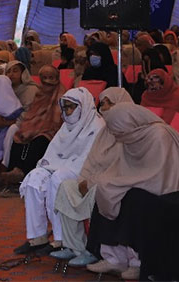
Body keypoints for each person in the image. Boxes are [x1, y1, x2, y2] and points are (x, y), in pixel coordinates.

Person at [84, 102, 179, 278]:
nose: (117, 136)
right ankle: (114, 257)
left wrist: (125, 183)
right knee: (106, 189)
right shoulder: (130, 136)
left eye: (119, 131)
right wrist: (114, 182)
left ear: (128, 124)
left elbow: (160, 174)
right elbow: (123, 168)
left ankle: (138, 261)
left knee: (134, 198)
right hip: (144, 181)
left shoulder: (159, 135)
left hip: (173, 186)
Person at [15, 88, 104, 255]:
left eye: (72, 107)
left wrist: (55, 169)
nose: (68, 112)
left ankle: (61, 239)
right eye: (66, 107)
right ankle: (37, 237)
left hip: (83, 172)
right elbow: (53, 154)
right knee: (34, 178)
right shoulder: (66, 125)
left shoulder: (96, 125)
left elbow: (87, 161)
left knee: (58, 178)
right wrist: (47, 169)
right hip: (59, 166)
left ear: (83, 106)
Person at [53, 87, 135, 267]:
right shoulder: (105, 131)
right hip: (93, 181)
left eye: (109, 103)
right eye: (102, 103)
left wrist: (90, 183)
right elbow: (90, 161)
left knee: (102, 191)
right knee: (66, 186)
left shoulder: (130, 132)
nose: (104, 108)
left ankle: (95, 251)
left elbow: (120, 168)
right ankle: (75, 246)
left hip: (112, 184)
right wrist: (82, 180)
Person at [6, 65, 65, 183]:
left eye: (51, 77)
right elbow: (31, 114)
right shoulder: (39, 93)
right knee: (19, 137)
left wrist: (39, 128)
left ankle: (25, 174)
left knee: (39, 141)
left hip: (51, 130)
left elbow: (58, 119)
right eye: (44, 77)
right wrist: (31, 127)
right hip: (35, 126)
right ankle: (14, 170)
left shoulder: (62, 94)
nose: (48, 81)